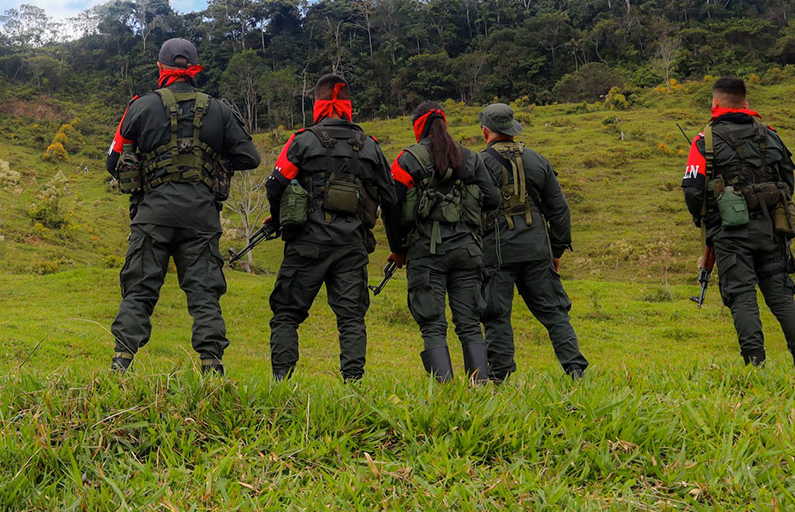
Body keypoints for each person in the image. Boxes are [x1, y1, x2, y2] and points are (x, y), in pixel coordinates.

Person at [105, 38, 261, 376]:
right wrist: (214, 154)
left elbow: (112, 161)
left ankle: (121, 367)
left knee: (139, 290)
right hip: (201, 216)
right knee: (205, 294)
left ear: (161, 68)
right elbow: (250, 157)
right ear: (194, 70)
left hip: (153, 215)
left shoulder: (141, 106)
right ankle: (212, 371)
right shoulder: (219, 109)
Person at [263, 75, 395, 382]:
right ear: (348, 106)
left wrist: (279, 220)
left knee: (285, 314)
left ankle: (282, 383)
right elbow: (391, 199)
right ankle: (353, 386)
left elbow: (275, 186)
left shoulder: (302, 141)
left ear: (318, 106)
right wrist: (399, 247)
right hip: (352, 245)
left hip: (307, 243)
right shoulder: (370, 147)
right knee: (351, 318)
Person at [682, 77, 795, 367]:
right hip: (772, 229)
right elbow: (788, 182)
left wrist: (704, 221)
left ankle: (756, 367)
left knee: (741, 295)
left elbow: (692, 190)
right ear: (746, 103)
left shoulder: (705, 140)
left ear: (714, 103)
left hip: (730, 232)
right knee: (781, 296)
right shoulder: (772, 135)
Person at [386, 102, 501, 383]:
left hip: (425, 253)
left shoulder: (406, 160)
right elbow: (494, 199)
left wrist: (398, 249)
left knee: (432, 325)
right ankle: (479, 387)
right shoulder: (470, 157)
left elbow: (391, 207)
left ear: (417, 126)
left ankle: (445, 391)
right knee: (470, 323)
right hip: (468, 251)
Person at [476, 103, 587, 381]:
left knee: (496, 316)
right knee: (555, 313)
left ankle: (498, 377)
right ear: (513, 129)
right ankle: (575, 371)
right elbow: (559, 210)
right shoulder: (538, 160)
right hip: (538, 249)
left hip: (496, 252)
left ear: (485, 131)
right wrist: (556, 249)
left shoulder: (477, 164)